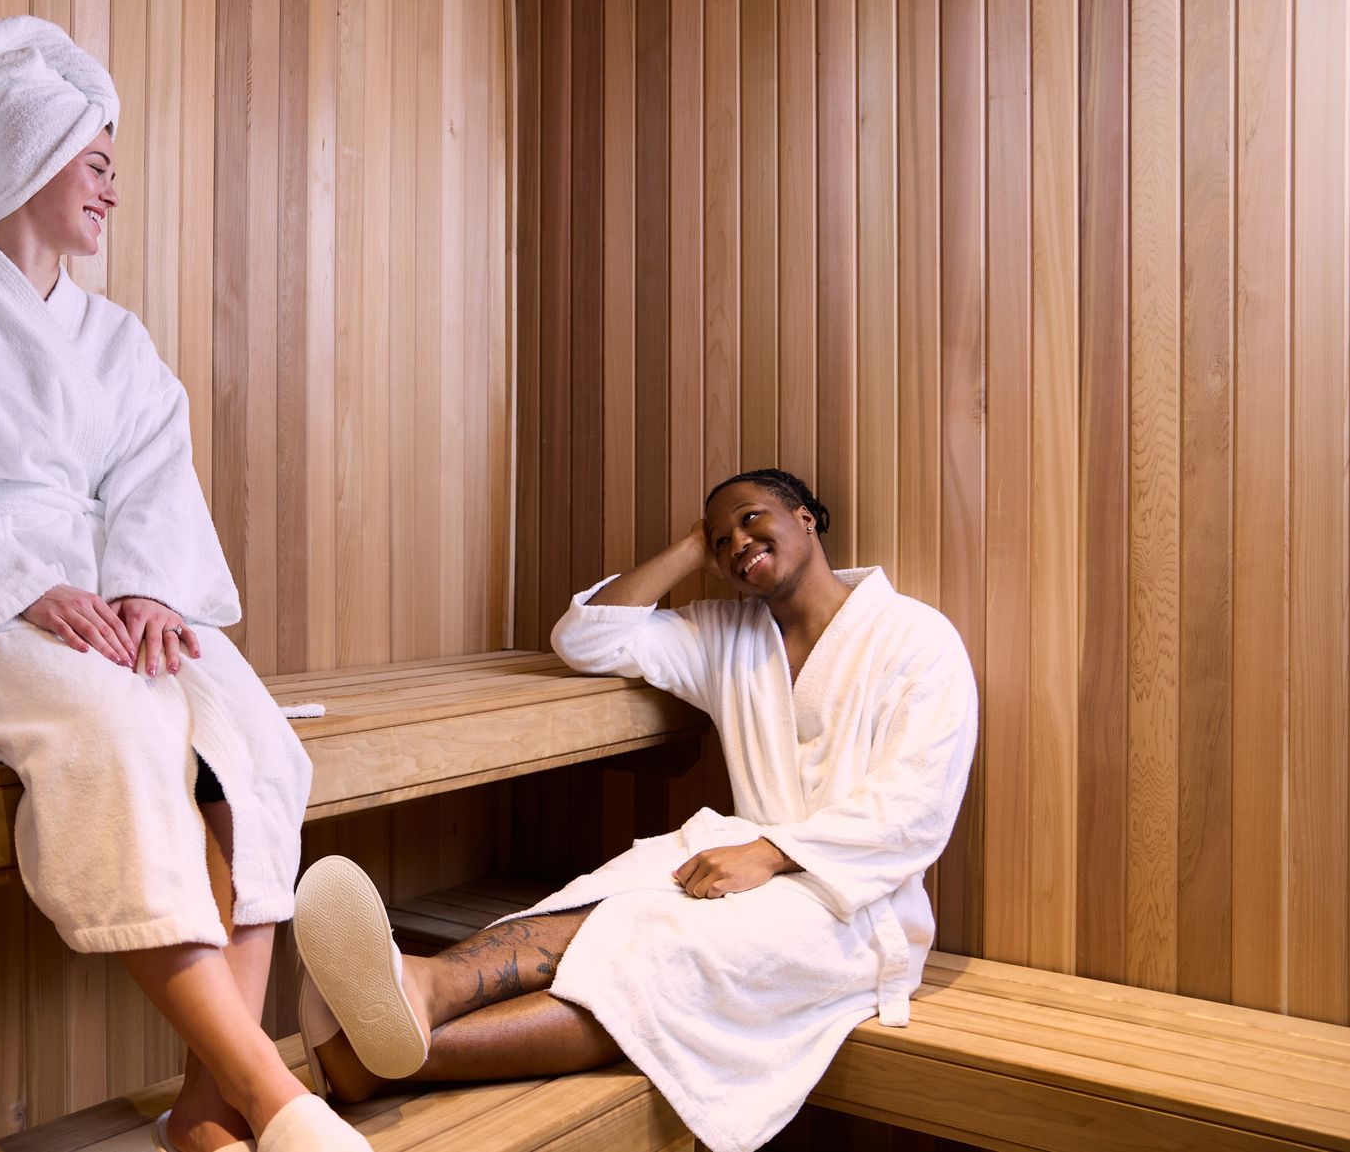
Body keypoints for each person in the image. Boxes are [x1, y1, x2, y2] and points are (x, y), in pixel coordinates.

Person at [0, 16, 365, 1152]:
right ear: (28, 157)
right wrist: (31, 588)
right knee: (127, 725)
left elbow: (152, 483)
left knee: (255, 744)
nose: (112, 190)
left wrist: (151, 593)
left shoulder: (118, 339)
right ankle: (273, 1096)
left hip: (107, 605)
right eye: (96, 163)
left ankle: (204, 1108)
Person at [292, 469, 978, 1152]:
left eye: (750, 518)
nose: (737, 543)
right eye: (720, 540)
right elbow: (586, 639)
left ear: (806, 517)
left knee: (658, 951)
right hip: (741, 861)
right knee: (608, 895)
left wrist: (771, 853)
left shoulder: (916, 638)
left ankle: (383, 1063)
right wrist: (691, 548)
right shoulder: (727, 633)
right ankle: (426, 982)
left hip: (857, 908)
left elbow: (916, 805)